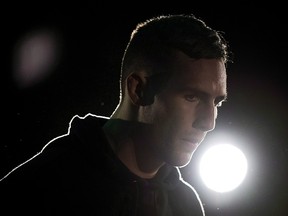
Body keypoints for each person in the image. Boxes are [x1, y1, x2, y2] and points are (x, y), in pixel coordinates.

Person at [1, 13, 231, 216]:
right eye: (191, 97)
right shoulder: (41, 188)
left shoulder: (185, 205)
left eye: (217, 103)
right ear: (138, 90)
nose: (208, 122)